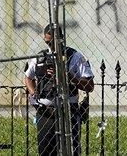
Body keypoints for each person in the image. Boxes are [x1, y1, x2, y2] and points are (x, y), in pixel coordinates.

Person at [24, 24, 94, 156]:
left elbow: (90, 86)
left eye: (53, 43)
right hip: (45, 112)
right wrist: (33, 93)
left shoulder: (75, 57)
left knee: (71, 150)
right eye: (47, 42)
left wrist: (67, 76)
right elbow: (28, 77)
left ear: (61, 39)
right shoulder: (40, 57)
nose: (51, 46)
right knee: (45, 151)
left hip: (68, 111)